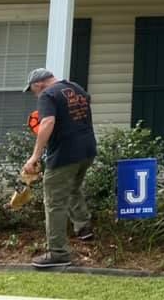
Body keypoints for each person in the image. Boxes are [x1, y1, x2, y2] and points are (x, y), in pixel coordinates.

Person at [22, 68, 97, 269]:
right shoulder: (77, 89)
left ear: (38, 85)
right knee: (73, 188)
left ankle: (58, 253)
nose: (35, 95)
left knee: (54, 202)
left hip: (65, 155)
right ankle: (84, 228)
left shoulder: (48, 94)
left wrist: (35, 156)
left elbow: (47, 122)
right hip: (87, 150)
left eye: (33, 91)